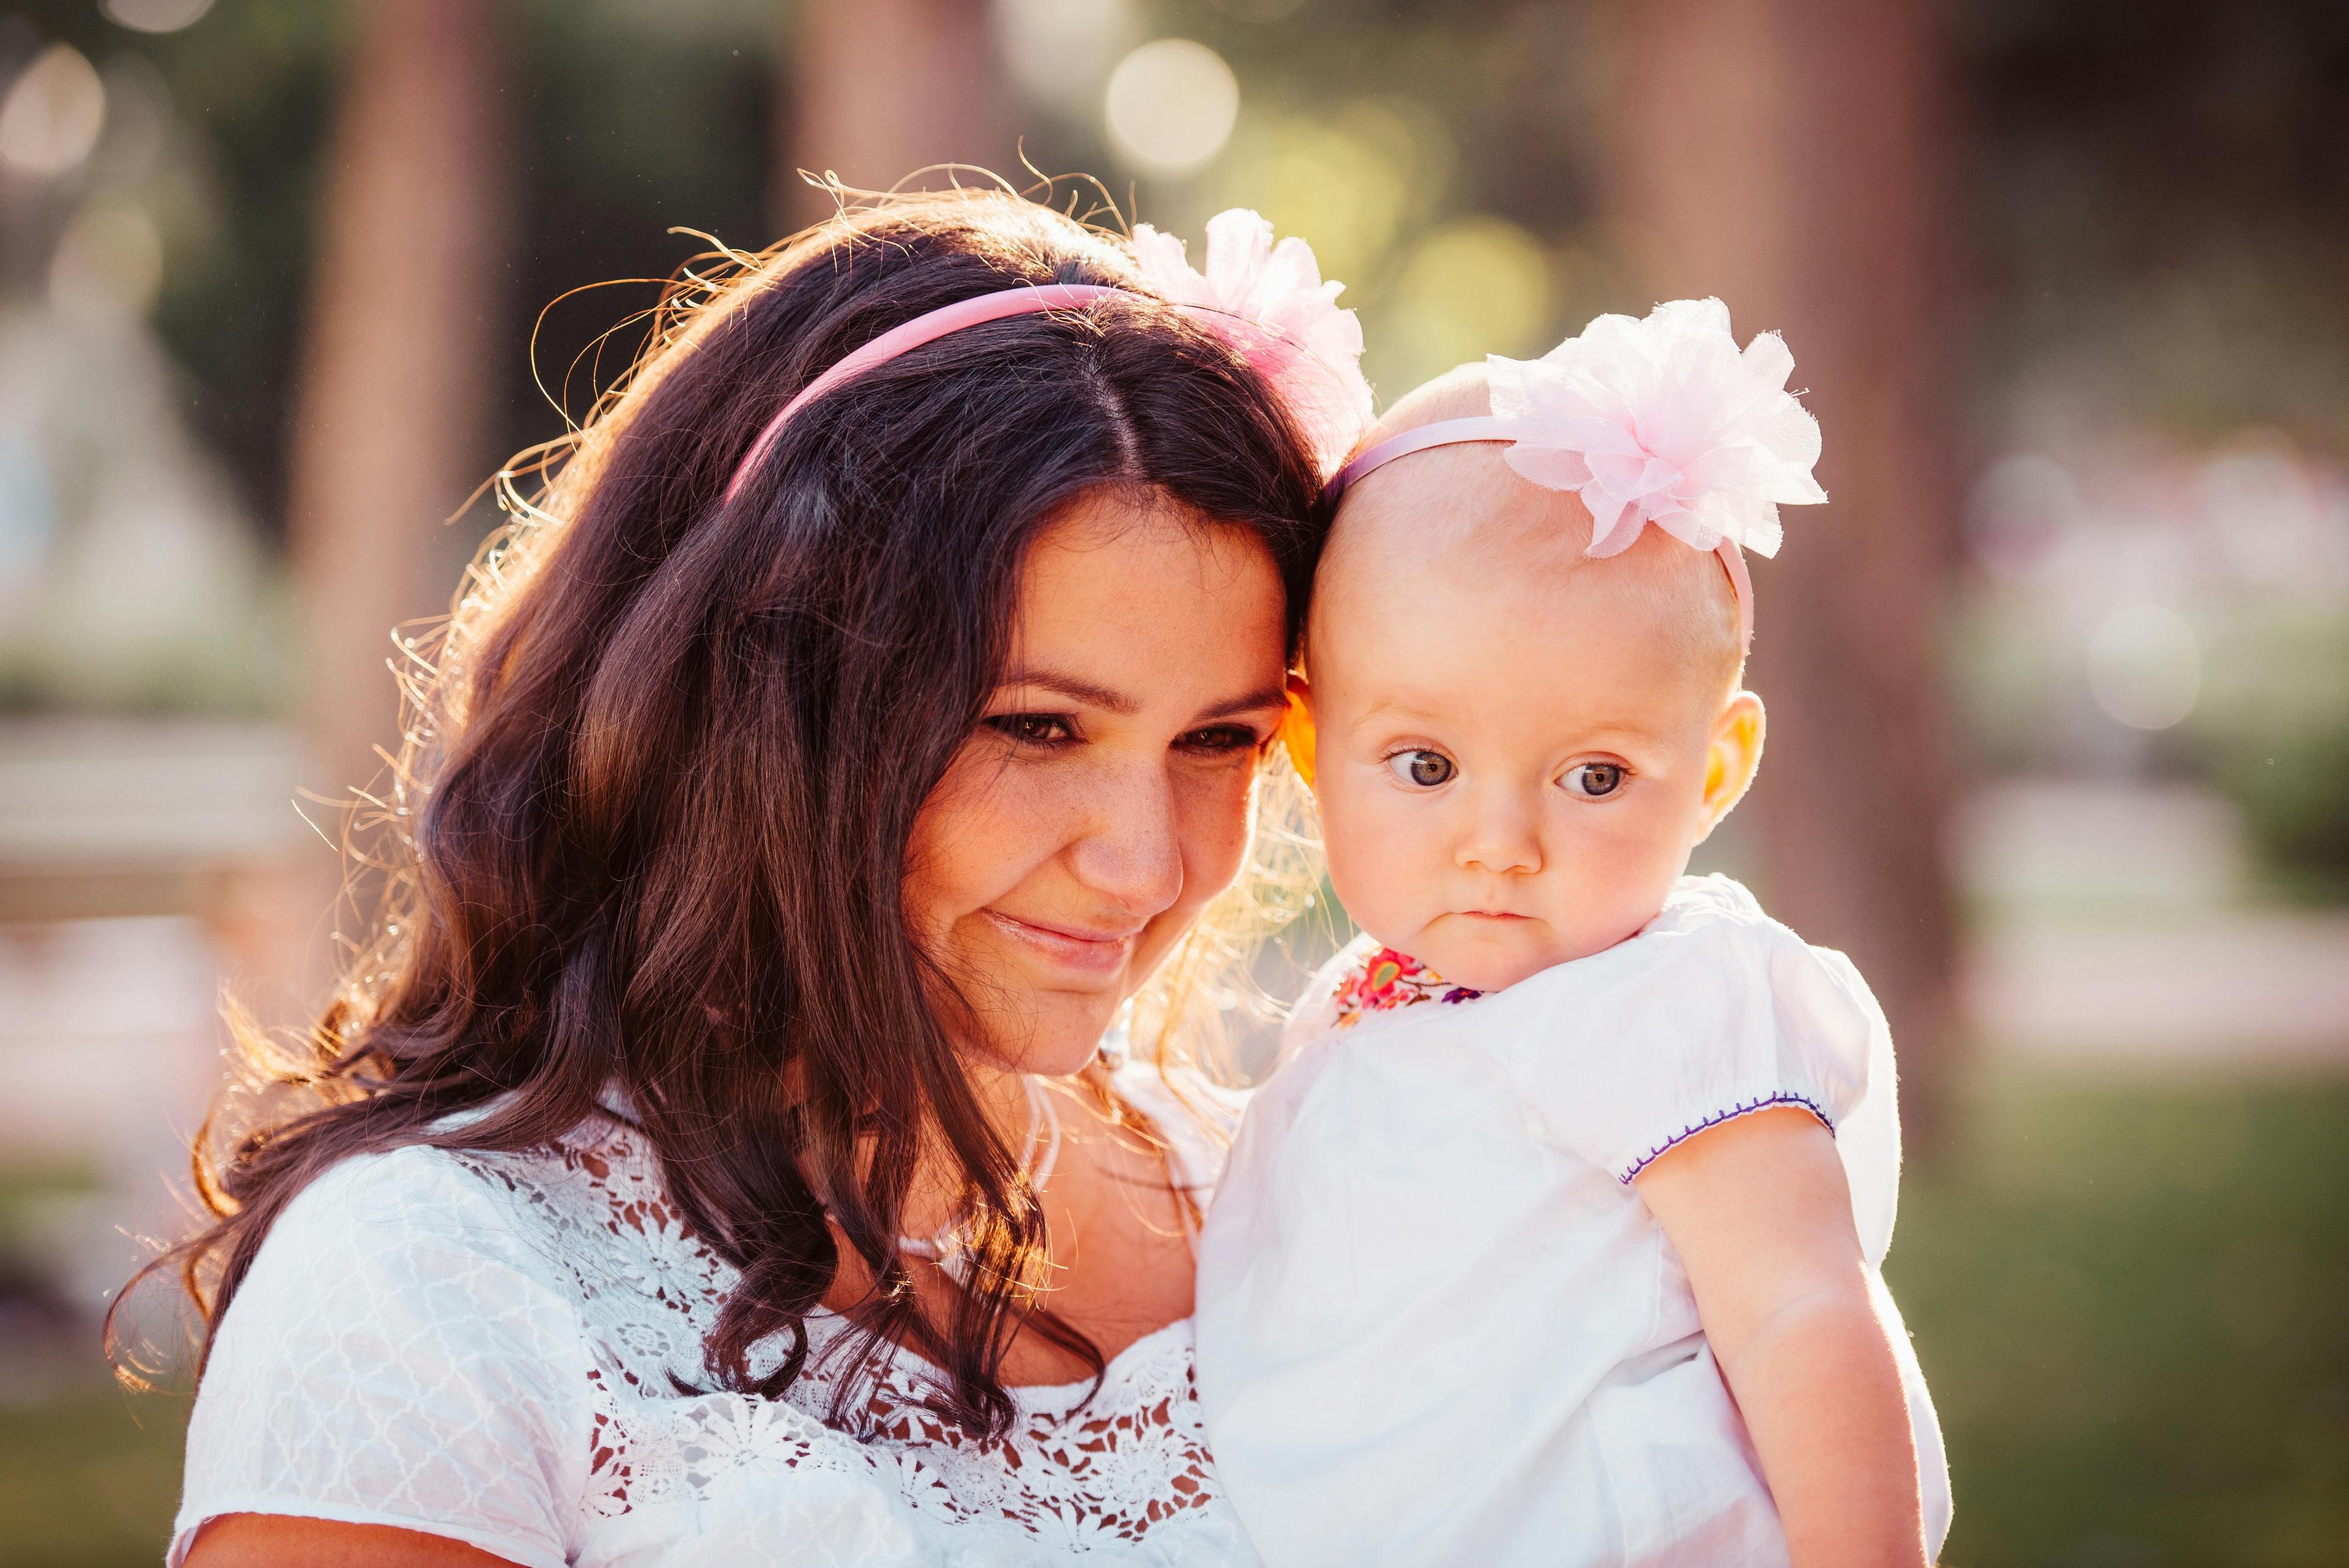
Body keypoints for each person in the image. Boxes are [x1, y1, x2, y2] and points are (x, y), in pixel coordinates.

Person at [135, 188, 1372, 1566]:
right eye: (1034, 727)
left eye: (1221, 740)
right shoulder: (435, 1284)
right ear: (762, 705)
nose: (1149, 862)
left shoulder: (1283, 1202)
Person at [1194, 299, 1953, 1567]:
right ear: (1316, 744)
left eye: (1594, 776)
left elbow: (1798, 1312)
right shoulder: (1367, 1000)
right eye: (1425, 762)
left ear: (1714, 771)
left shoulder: (1671, 999)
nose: (1502, 842)